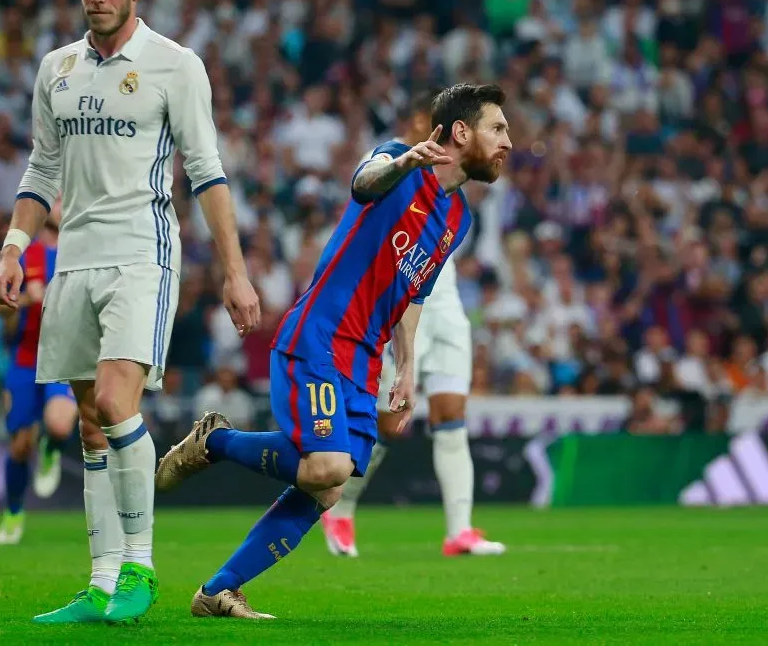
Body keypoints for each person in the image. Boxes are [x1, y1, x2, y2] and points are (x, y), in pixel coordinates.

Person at [156, 83, 512, 618]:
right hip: (320, 337)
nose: (508, 141)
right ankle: (218, 441)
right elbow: (362, 185)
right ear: (461, 132)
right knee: (326, 466)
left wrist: (407, 367)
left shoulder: (458, 218)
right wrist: (404, 163)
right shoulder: (396, 158)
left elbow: (415, 291)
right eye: (498, 129)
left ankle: (218, 591)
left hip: (367, 361)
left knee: (328, 488)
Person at [0, 0, 260, 625]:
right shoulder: (56, 68)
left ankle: (140, 564)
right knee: (87, 420)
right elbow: (41, 169)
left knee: (114, 402)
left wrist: (235, 272)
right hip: (73, 254)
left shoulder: (174, 64)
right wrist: (15, 244)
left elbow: (207, 171)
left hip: (144, 251)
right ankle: (101, 583)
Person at [321, 91, 506, 557]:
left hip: (442, 302)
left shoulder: (458, 204)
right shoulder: (400, 163)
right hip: (402, 301)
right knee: (390, 421)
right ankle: (340, 509)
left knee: (451, 414)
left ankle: (459, 529)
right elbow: (363, 191)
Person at [0, 204, 79, 545]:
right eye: (55, 196)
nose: (59, 202)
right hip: (27, 358)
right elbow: (2, 312)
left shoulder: (83, 246)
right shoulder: (22, 252)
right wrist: (24, 301)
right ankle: (13, 513)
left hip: (65, 356)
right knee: (18, 445)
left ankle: (52, 447)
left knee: (59, 424)